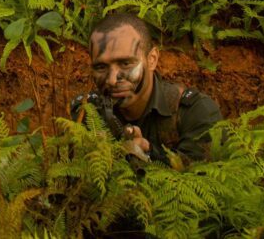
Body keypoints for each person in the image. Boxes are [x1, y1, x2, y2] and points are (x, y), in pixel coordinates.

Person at [72, 13, 221, 166]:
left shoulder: (195, 112)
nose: (111, 80)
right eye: (101, 67)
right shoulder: (85, 113)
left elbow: (202, 175)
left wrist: (149, 155)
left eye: (125, 64)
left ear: (152, 60)